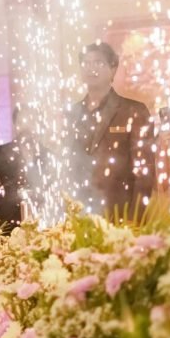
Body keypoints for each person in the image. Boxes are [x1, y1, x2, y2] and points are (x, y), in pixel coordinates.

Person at [66, 41, 155, 217]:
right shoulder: (72, 113)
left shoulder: (134, 111)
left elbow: (144, 174)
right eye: (86, 63)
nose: (91, 68)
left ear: (113, 69)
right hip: (79, 214)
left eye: (98, 62)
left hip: (119, 213)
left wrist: (134, 220)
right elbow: (67, 166)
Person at [0, 108, 49, 235]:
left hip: (42, 229)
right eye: (22, 122)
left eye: (31, 121)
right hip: (5, 228)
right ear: (15, 125)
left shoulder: (46, 156)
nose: (26, 126)